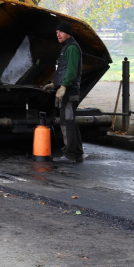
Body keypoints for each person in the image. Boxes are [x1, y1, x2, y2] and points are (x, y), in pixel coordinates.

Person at [43, 22, 84, 163]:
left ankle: (70, 155)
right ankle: (77, 153)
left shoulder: (71, 47)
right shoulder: (67, 47)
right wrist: (55, 84)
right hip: (68, 90)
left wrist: (64, 87)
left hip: (69, 92)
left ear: (68, 33)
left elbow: (72, 71)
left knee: (67, 124)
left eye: (60, 32)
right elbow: (65, 70)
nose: (58, 34)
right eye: (56, 32)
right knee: (71, 122)